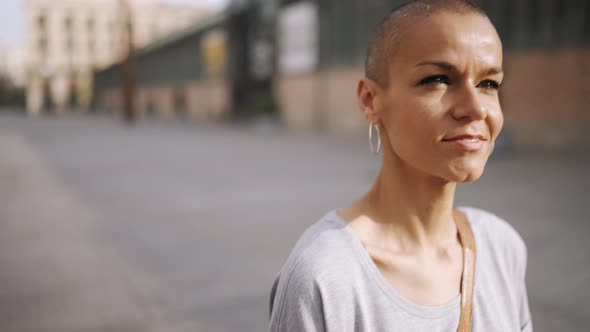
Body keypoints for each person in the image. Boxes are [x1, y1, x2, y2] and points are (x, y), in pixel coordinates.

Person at [268, 0, 532, 331]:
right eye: (437, 79)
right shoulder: (324, 278)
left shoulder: (500, 247)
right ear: (370, 100)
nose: (475, 108)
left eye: (489, 84)